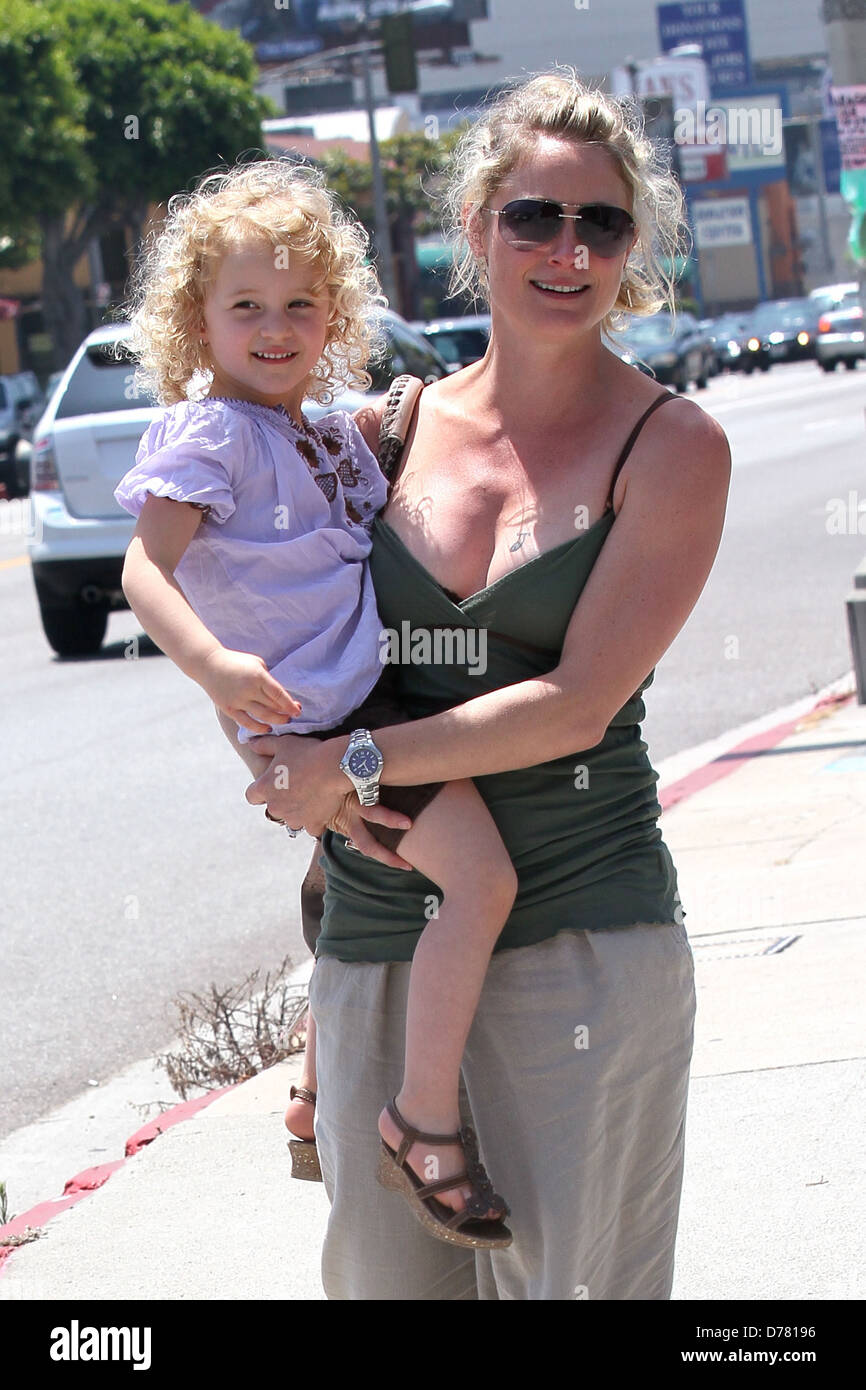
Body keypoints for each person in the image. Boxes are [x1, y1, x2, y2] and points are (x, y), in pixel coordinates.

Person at [244, 71, 732, 1300]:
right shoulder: (374, 436)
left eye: (599, 225)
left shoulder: (669, 448)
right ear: (475, 231)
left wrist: (352, 768)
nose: (566, 251)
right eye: (533, 218)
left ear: (631, 246)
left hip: (582, 944)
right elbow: (258, 620)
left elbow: (572, 704)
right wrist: (274, 764)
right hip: (377, 946)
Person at [114, 160, 521, 1249]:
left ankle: (313, 1096)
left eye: (300, 303)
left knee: (368, 891)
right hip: (318, 721)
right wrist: (212, 668)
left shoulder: (329, 433)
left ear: (334, 312)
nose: (275, 326)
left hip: (365, 704)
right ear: (197, 321)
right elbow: (145, 571)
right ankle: (421, 1122)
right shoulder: (209, 437)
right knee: (477, 882)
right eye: (244, 305)